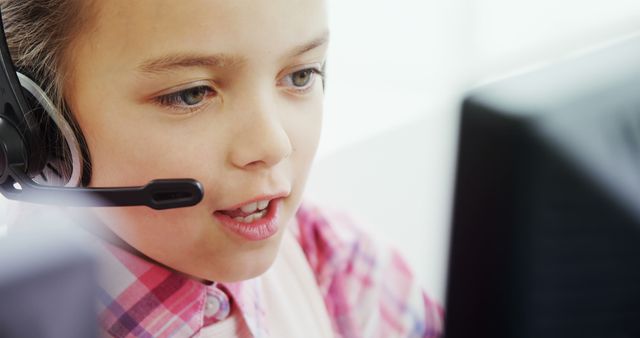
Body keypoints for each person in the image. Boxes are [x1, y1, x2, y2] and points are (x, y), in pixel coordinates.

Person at [1, 0, 443, 337]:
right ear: (38, 129)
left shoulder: (339, 266)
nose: (273, 145)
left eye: (301, 75)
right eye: (192, 94)